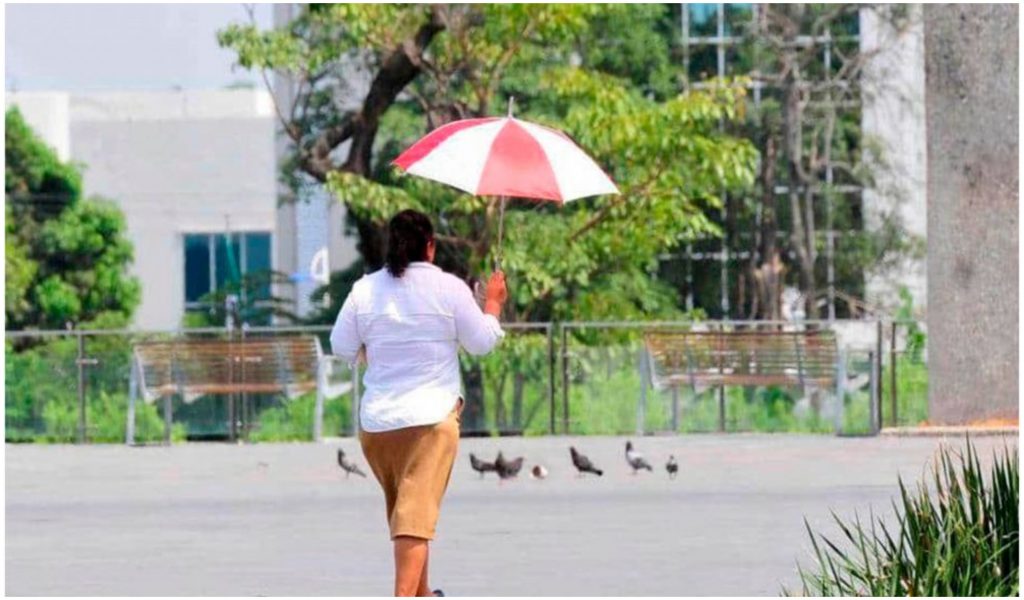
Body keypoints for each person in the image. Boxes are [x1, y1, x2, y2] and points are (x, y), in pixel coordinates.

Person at [330, 209, 507, 597]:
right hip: (431, 422)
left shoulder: (364, 290)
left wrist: (372, 352)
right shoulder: (449, 288)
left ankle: (423, 593)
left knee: (407, 512)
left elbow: (340, 345)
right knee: (414, 518)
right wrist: (493, 304)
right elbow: (481, 343)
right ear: (430, 247)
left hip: (378, 428)